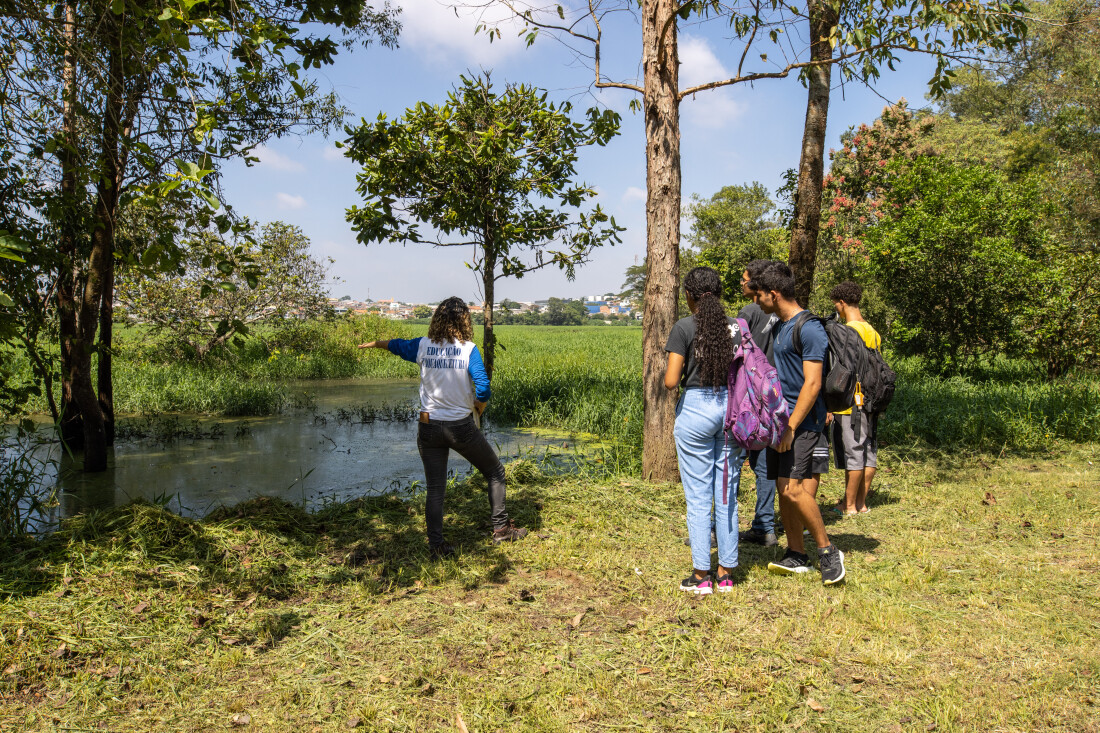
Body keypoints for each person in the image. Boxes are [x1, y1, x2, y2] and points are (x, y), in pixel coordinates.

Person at [358, 297, 527, 558]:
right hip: (461, 428)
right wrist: (478, 409)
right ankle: (502, 530)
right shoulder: (468, 349)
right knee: (494, 471)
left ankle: (436, 546)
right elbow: (482, 388)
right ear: (465, 321)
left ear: (437, 318)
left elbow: (396, 345)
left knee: (436, 488)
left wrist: (375, 344)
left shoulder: (422, 346)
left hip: (428, 427)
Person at [750, 262, 846, 585]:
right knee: (782, 487)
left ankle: (828, 551)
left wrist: (791, 425)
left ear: (774, 295)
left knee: (793, 489)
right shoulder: (779, 326)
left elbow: (812, 384)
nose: (757, 300)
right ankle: (796, 553)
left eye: (760, 295)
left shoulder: (809, 328)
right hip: (782, 420)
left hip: (803, 422)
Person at [664, 267, 743, 595]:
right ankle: (725, 574)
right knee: (726, 495)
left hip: (696, 409)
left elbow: (671, 381)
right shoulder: (736, 328)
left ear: (689, 295)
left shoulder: (683, 327)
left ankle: (701, 575)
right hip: (730, 410)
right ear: (720, 294)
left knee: (698, 498)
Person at [737, 259, 781, 547]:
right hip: (775, 396)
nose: (741, 283)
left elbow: (737, 352)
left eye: (744, 279)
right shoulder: (780, 311)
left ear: (755, 282)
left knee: (732, 459)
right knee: (766, 465)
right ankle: (765, 525)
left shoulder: (749, 312)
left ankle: (719, 526)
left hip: (749, 396)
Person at [827, 281, 881, 515]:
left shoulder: (848, 332)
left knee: (853, 452)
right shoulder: (872, 331)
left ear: (841, 303)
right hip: (871, 399)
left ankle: (848, 506)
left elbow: (843, 369)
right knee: (868, 451)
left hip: (851, 402)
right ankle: (861, 503)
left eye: (836, 305)